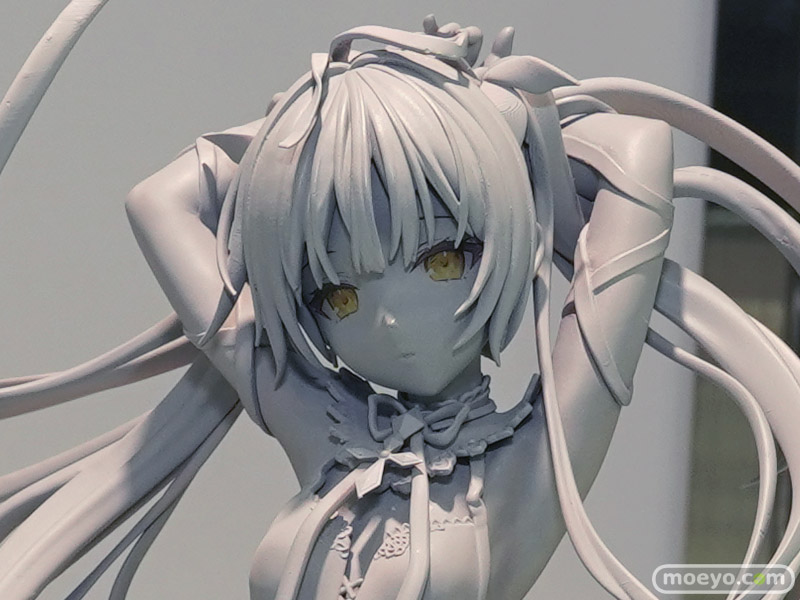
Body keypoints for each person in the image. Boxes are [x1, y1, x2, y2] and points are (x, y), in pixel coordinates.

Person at [1, 4, 800, 600]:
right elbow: (160, 200)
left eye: (442, 260)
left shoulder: (536, 459)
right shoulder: (323, 427)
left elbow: (639, 149)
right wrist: (327, 115)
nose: (391, 320)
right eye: (339, 294)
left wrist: (465, 107)